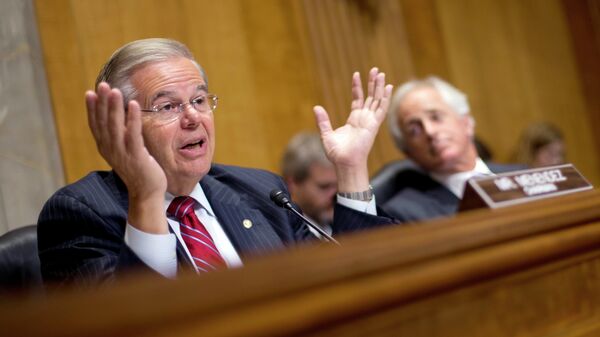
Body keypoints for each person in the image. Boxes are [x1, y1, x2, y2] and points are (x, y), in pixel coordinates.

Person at [37, 38, 396, 286]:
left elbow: (354, 280)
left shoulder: (259, 190)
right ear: (121, 124)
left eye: (199, 100)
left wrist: (350, 169)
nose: (193, 117)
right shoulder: (80, 213)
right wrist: (146, 195)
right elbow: (122, 324)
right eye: (167, 106)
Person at [376, 76, 521, 222]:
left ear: (466, 123)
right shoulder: (405, 213)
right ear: (407, 152)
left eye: (436, 117)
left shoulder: (523, 174)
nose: (430, 131)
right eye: (414, 130)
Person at [281, 132, 337, 238]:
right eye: (324, 187)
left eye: (337, 185)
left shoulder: (343, 225)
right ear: (291, 184)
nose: (335, 194)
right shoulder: (284, 237)